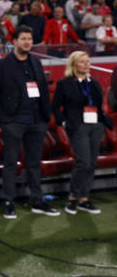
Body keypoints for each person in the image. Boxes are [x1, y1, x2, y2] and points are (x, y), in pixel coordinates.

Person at [0, 25, 60, 219]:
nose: (28, 42)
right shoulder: (1, 65)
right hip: (13, 121)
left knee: (34, 163)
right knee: (11, 163)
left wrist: (46, 116)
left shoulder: (36, 62)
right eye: (24, 38)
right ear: (15, 42)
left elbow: (43, 90)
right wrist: (3, 119)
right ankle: (9, 201)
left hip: (37, 121)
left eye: (30, 39)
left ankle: (37, 199)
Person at [52, 51, 112, 215]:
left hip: (95, 125)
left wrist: (101, 121)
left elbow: (99, 104)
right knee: (83, 162)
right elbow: (55, 106)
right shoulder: (64, 83)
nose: (86, 64)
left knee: (91, 163)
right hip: (77, 126)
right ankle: (73, 198)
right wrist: (64, 122)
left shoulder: (93, 82)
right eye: (82, 62)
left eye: (88, 61)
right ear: (74, 64)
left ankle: (83, 199)